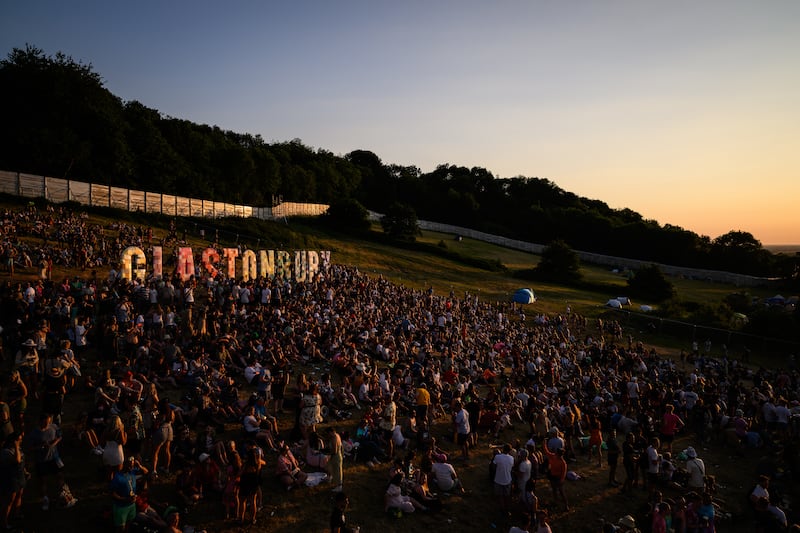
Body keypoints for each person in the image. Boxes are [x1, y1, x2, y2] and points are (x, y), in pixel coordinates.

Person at [110, 455, 149, 533]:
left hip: (131, 505)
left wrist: (140, 466)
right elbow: (112, 493)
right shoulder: (118, 477)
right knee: (121, 528)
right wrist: (124, 499)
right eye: (129, 464)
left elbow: (146, 472)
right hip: (121, 507)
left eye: (133, 463)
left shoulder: (132, 471)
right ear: (123, 464)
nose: (132, 466)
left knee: (129, 524)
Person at [0, 431, 26, 530]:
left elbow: (22, 462)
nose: (20, 442)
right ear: (13, 441)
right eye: (18, 440)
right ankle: (4, 522)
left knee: (19, 495)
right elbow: (17, 460)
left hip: (20, 477)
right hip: (11, 479)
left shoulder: (18, 448)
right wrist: (15, 446)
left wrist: (25, 471)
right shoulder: (6, 452)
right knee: (9, 501)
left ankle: (16, 514)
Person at [542, 440, 568, 511]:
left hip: (558, 478)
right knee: (554, 490)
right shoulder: (554, 456)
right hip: (553, 477)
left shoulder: (563, 463)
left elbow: (563, 473)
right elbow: (546, 451)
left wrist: (561, 481)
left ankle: (566, 505)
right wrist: (544, 443)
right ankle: (556, 503)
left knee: (561, 492)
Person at [493, 443, 516, 516]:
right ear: (509, 451)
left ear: (503, 449)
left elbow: (493, 466)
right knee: (506, 496)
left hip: (498, 479)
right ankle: (507, 510)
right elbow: (512, 467)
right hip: (507, 480)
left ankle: (502, 510)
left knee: (500, 496)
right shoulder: (511, 458)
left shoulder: (497, 457)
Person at [327, 426, 344, 493]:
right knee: (330, 467)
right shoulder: (337, 435)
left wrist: (327, 453)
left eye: (328, 433)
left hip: (336, 457)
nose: (328, 435)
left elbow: (335, 451)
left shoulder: (334, 438)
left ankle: (339, 486)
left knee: (337, 471)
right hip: (337, 456)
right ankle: (329, 477)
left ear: (331, 432)